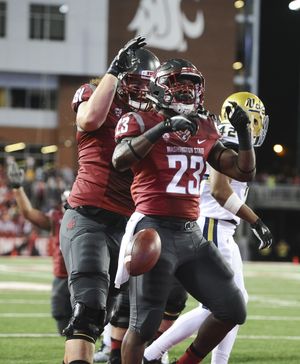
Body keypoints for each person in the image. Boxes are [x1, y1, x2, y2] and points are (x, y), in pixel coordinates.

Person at [112, 58, 257, 364]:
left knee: (232, 307)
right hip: (153, 229)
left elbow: (242, 171)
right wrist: (162, 128)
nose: (187, 92)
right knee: (144, 325)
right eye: (179, 85)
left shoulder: (203, 125)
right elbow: (120, 159)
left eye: (192, 86)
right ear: (161, 89)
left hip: (190, 233)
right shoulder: (140, 119)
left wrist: (243, 134)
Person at [143, 92, 273, 364]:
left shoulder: (230, 139)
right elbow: (219, 191)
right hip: (212, 224)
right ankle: (153, 353)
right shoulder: (226, 140)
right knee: (220, 305)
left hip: (219, 226)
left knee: (236, 302)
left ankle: (168, 354)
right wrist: (256, 221)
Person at [59, 36, 161, 364]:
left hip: (130, 225)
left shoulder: (153, 117)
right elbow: (89, 120)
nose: (143, 91)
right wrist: (113, 72)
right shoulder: (95, 95)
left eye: (148, 85)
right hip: (90, 214)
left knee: (126, 315)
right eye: (135, 82)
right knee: (89, 311)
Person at [6, 160, 72, 335]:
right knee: (60, 317)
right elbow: (28, 213)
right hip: (62, 275)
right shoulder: (56, 217)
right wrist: (18, 188)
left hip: (84, 276)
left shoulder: (91, 217)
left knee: (92, 318)